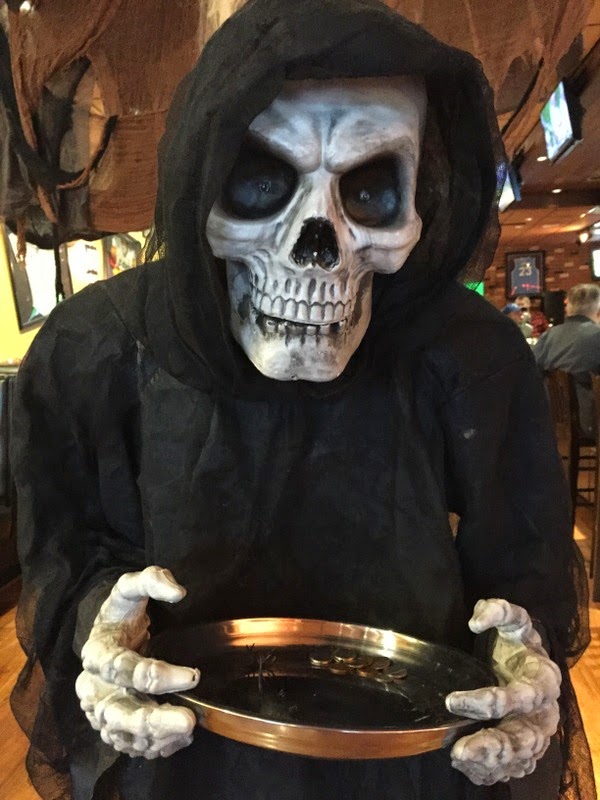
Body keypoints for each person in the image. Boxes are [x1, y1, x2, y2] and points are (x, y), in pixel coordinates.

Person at [10, 2, 593, 799]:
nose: (318, 248)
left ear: (420, 196)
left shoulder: (466, 351)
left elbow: (522, 566)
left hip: (408, 756)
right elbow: (65, 556)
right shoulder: (97, 348)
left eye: (370, 190)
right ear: (201, 180)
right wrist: (98, 624)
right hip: (183, 756)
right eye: (261, 182)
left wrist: (521, 654)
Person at [534, 282, 600, 437]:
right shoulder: (597, 335)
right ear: (598, 309)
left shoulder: (548, 336)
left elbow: (532, 374)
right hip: (591, 422)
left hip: (553, 422)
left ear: (567, 308)